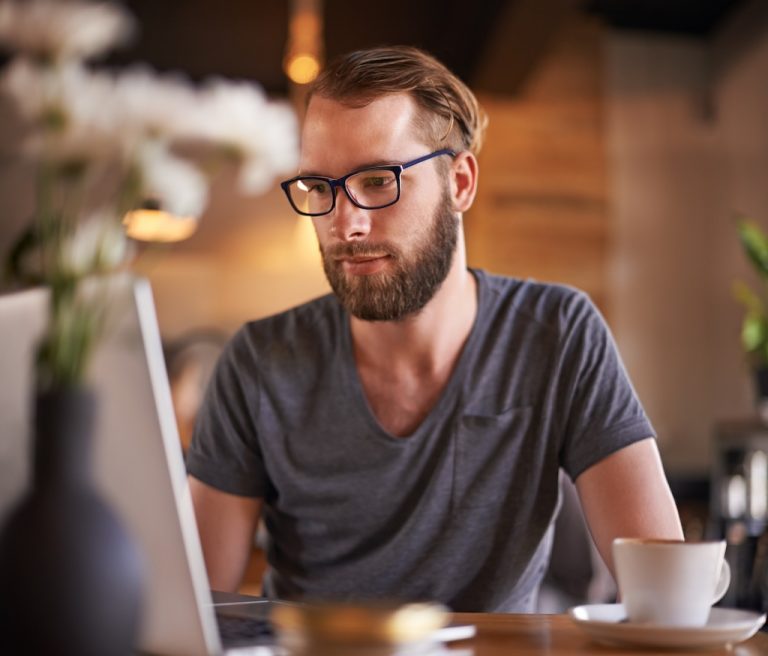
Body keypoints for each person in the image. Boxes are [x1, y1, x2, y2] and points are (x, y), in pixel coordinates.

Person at [186, 45, 683, 612]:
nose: (345, 223)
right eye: (320, 188)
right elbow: (198, 613)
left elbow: (665, 598)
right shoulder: (258, 362)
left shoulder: (558, 334)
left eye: (377, 179)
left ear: (461, 182)